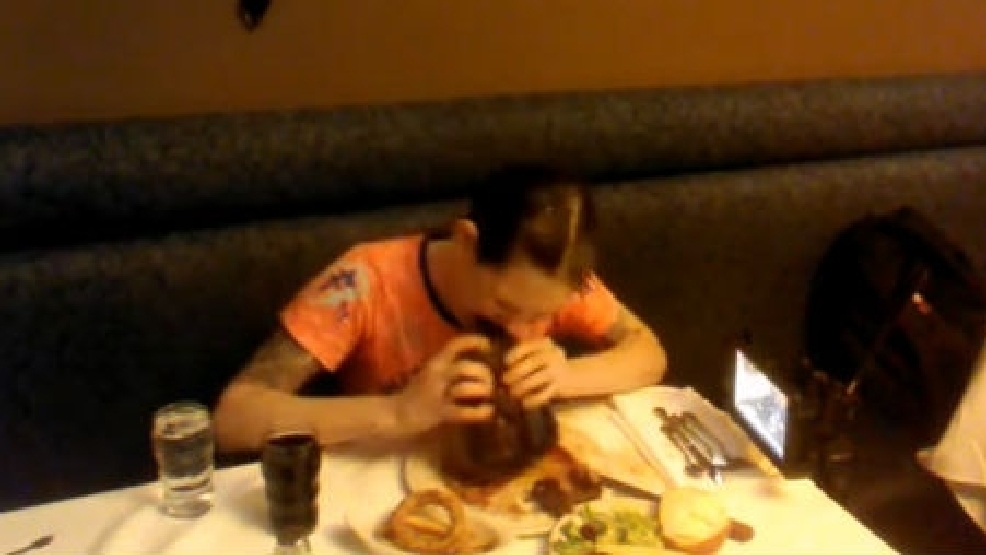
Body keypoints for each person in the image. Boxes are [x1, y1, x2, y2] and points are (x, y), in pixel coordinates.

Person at [213, 165, 668, 452]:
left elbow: (648, 353)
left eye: (539, 317)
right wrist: (397, 412)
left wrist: (567, 376)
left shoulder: (554, 281)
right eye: (506, 306)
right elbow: (234, 417)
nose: (521, 326)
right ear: (466, 241)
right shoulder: (363, 282)